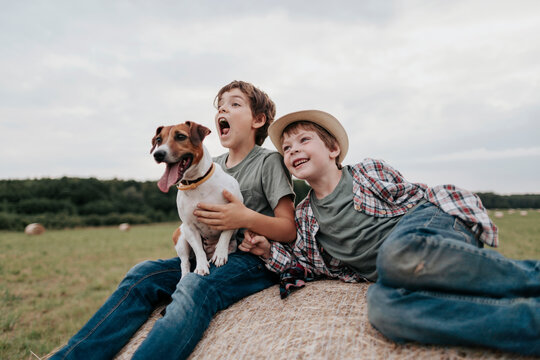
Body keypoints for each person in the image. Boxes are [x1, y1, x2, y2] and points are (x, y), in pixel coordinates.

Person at [239, 109, 540, 356]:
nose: (293, 150)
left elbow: (416, 198)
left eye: (304, 140)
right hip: (398, 272)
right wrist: (267, 250)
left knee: (396, 254)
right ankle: (528, 323)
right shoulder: (304, 217)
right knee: (384, 311)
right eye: (287, 149)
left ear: (333, 149)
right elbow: (302, 266)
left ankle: (532, 276)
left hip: (428, 227)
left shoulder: (366, 172)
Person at [51, 81, 296, 360]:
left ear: (258, 120)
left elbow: (288, 229)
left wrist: (245, 217)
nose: (223, 109)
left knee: (194, 286)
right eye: (220, 106)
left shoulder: (269, 162)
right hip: (204, 255)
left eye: (235, 104)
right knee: (142, 273)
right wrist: (184, 235)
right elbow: (188, 219)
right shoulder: (205, 163)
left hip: (251, 260)